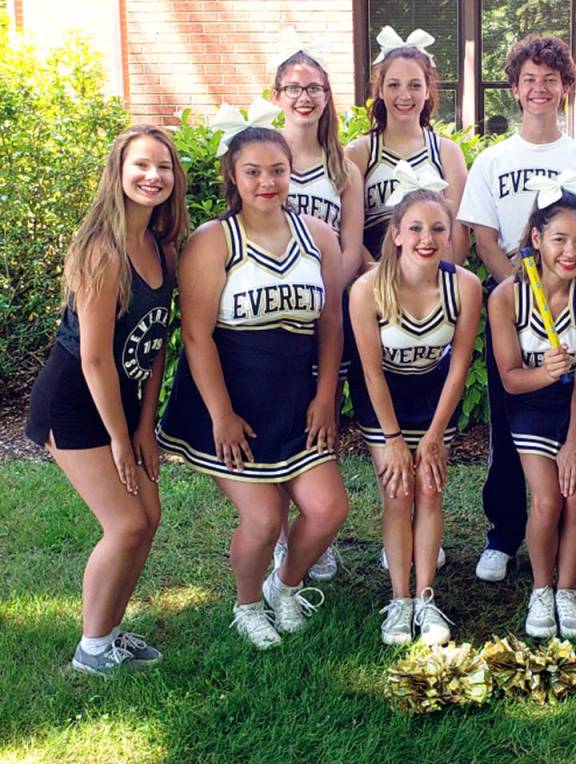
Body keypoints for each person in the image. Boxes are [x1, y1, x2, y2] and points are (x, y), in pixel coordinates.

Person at [158, 102, 349, 649]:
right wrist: (221, 414)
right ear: (232, 177)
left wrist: (325, 395)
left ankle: (283, 586)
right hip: (233, 400)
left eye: (277, 170)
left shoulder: (319, 235)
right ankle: (247, 606)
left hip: (295, 398)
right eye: (253, 171)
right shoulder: (213, 241)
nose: (267, 182)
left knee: (328, 508)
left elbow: (331, 321)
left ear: (293, 171)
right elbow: (196, 335)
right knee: (264, 521)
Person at [458, 34, 576, 586]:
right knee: (512, 427)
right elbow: (482, 238)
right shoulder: (493, 159)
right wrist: (524, 293)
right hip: (518, 303)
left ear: (566, 88)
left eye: (551, 79)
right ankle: (503, 535)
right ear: (516, 86)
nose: (539, 89)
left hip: (571, 303)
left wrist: (558, 289)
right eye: (529, 79)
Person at [26, 125, 188, 676]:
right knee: (124, 524)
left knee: (149, 517)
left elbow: (157, 342)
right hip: (73, 402)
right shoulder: (102, 252)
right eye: (141, 165)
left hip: (124, 402)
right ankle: (91, 649)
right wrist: (120, 439)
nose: (153, 176)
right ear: (118, 174)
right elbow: (95, 358)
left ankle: (110, 631)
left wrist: (145, 427)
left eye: (163, 167)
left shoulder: (163, 248)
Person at [348, 177, 481, 646]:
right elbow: (370, 373)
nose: (428, 239)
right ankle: (399, 601)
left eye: (438, 229)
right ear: (397, 233)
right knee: (398, 493)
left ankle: (425, 598)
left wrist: (432, 436)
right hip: (384, 400)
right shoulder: (367, 289)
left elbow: (459, 364)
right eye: (416, 228)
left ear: (450, 235)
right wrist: (394, 441)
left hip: (432, 399)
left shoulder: (464, 285)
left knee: (430, 490)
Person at [489, 181, 576, 640]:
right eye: (559, 238)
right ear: (537, 238)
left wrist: (575, 443)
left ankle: (567, 591)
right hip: (531, 404)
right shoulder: (506, 296)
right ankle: (541, 589)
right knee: (546, 500)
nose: (571, 250)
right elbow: (509, 378)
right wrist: (544, 372)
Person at [269, 28, 365, 583]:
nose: (304, 97)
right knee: (278, 418)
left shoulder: (342, 167)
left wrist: (326, 298)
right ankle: (285, 538)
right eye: (293, 87)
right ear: (278, 94)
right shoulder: (261, 154)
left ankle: (316, 528)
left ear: (327, 97)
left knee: (320, 415)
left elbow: (351, 246)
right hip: (271, 318)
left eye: (314, 88)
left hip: (324, 312)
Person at [347, 25, 469, 266]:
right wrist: (380, 280)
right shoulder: (359, 153)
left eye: (414, 85)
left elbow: (459, 235)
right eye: (394, 85)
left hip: (434, 285)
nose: (405, 95)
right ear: (380, 90)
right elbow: (350, 235)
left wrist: (433, 281)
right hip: (377, 286)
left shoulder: (447, 152)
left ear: (427, 91)